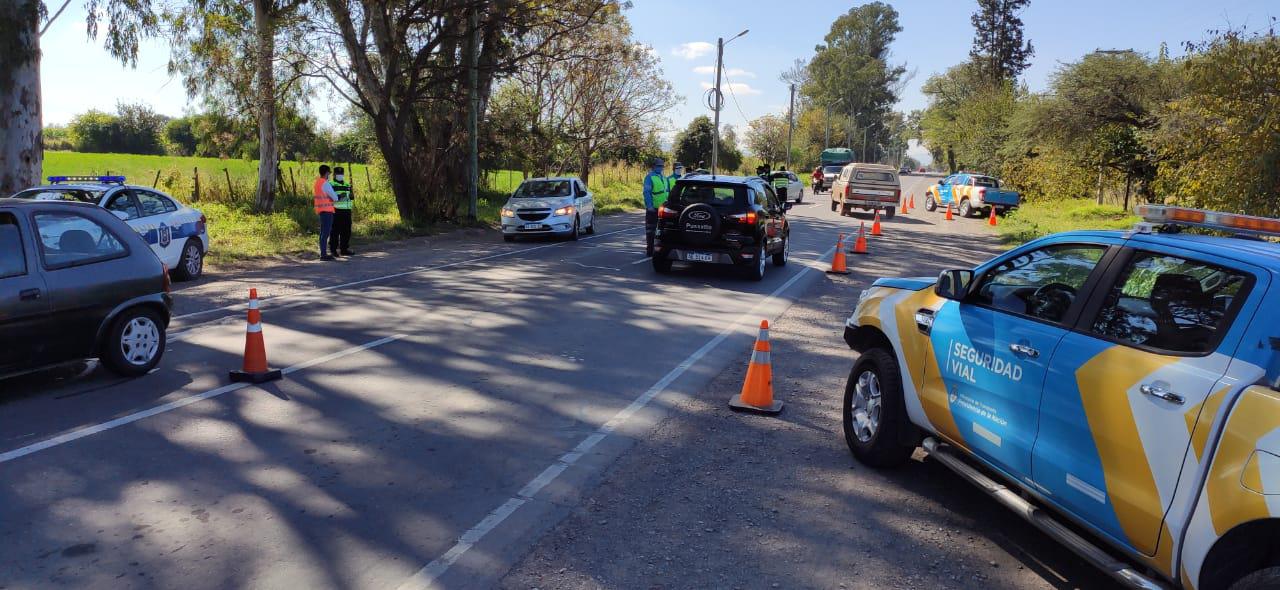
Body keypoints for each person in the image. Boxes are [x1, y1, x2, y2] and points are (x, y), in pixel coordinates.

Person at [643, 157, 670, 257]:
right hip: (653, 209)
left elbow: (667, 193)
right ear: (654, 166)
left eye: (662, 166)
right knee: (651, 230)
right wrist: (649, 206)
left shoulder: (664, 178)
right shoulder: (649, 177)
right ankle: (650, 249)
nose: (661, 168)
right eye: (659, 166)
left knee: (663, 231)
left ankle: (660, 250)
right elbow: (647, 192)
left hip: (663, 210)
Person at [312, 165, 338, 261]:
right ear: (326, 173)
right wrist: (336, 197)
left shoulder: (317, 182)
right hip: (327, 211)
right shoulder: (325, 183)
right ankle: (323, 254)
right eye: (329, 173)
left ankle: (322, 252)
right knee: (326, 233)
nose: (329, 175)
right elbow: (335, 197)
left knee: (322, 233)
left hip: (321, 210)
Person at [329, 166, 355, 256]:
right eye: (338, 174)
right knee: (335, 231)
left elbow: (351, 197)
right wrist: (341, 196)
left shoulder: (347, 185)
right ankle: (333, 250)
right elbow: (330, 198)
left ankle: (344, 249)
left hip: (347, 210)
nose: (340, 175)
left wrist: (351, 195)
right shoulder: (331, 184)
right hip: (336, 210)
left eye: (341, 174)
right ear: (334, 174)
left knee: (346, 231)